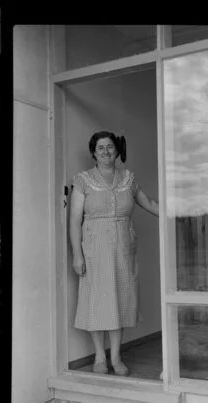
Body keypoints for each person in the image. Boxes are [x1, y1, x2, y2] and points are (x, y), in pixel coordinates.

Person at [70, 131, 159, 376]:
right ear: (93, 152)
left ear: (117, 150)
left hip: (123, 248)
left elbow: (149, 204)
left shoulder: (128, 179)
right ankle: (100, 356)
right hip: (94, 249)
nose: (106, 152)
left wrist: (177, 213)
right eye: (100, 148)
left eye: (110, 147)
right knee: (97, 302)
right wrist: (77, 254)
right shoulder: (83, 180)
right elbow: (75, 219)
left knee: (121, 301)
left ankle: (117, 357)